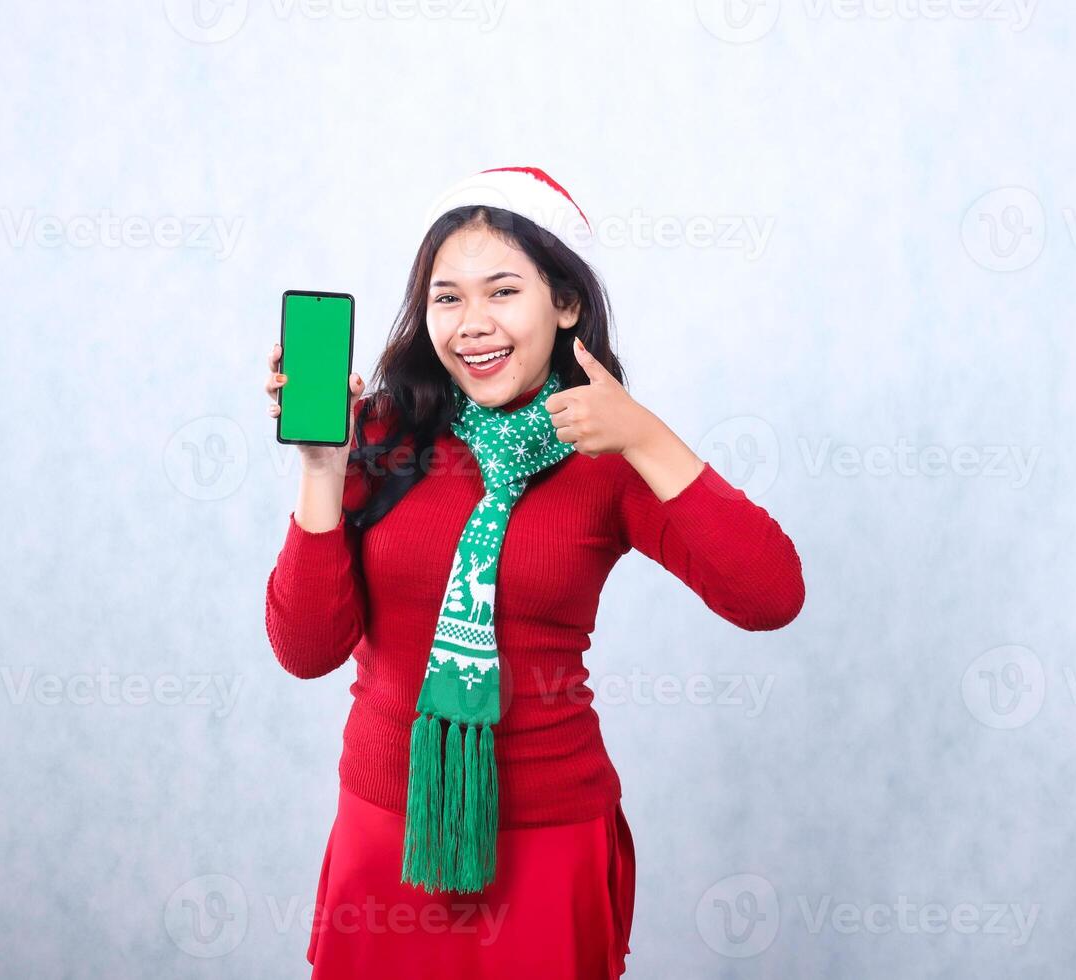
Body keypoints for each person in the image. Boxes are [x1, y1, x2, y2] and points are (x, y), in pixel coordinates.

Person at [263, 166, 806, 979]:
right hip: (387, 834)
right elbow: (306, 649)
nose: (472, 324)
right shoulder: (383, 432)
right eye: (447, 298)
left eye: (502, 291)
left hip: (547, 839)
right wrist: (321, 469)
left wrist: (646, 437)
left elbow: (770, 596)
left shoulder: (608, 451)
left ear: (565, 302)